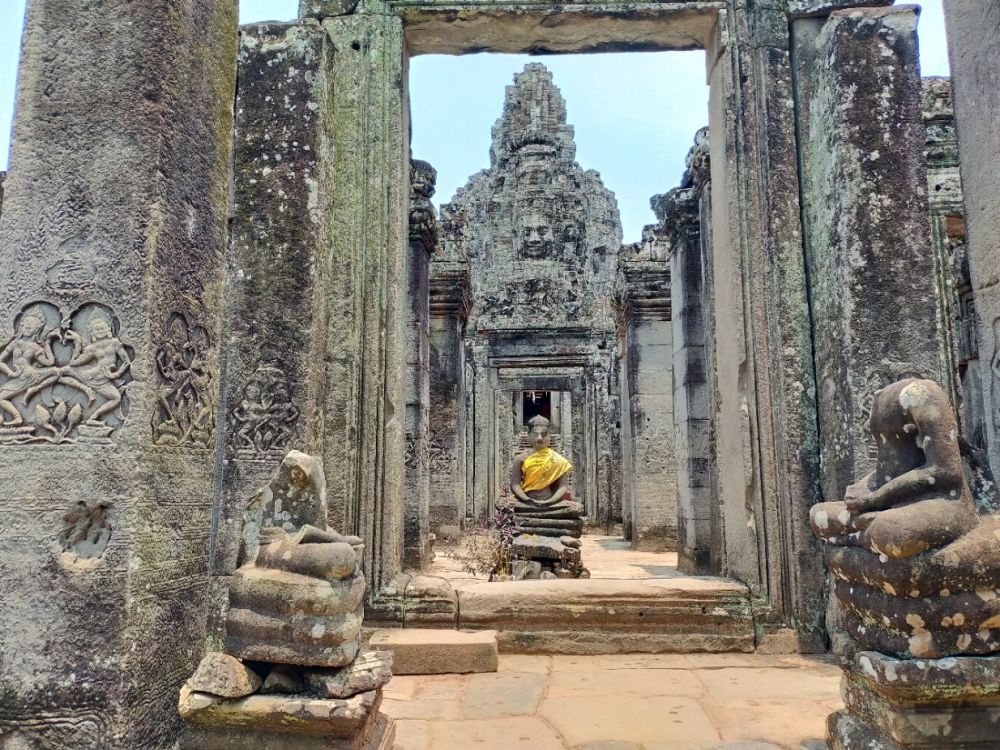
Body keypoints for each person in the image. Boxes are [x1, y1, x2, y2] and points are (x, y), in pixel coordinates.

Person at [509, 415, 583, 537]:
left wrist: (549, 502)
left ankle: (527, 527)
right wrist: (527, 500)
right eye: (535, 434)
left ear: (549, 435)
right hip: (526, 503)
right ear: (529, 435)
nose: (539, 438)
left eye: (544, 434)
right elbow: (515, 485)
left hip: (551, 504)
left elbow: (563, 487)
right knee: (502, 504)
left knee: (575, 508)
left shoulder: (558, 460)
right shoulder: (521, 458)